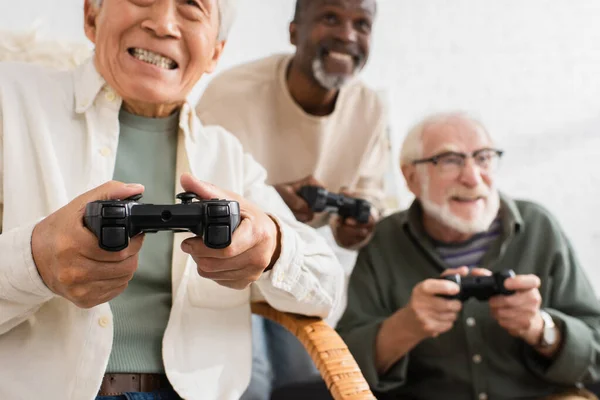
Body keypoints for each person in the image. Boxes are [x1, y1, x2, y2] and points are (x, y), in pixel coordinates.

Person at [0, 1, 344, 399]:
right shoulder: (9, 101)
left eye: (192, 7)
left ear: (215, 51)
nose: (162, 24)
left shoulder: (227, 156)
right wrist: (36, 261)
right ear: (91, 16)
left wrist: (274, 245)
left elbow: (328, 288)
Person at [195, 0, 388, 397]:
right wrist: (271, 205)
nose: (348, 35)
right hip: (223, 272)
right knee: (249, 385)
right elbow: (194, 198)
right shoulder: (231, 94)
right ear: (293, 32)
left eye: (362, 24)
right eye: (330, 18)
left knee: (306, 384)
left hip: (303, 268)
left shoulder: (370, 108)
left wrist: (355, 224)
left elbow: (368, 203)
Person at [336, 112, 600, 400]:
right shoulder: (383, 241)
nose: (473, 178)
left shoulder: (538, 226)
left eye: (484, 158)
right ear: (412, 178)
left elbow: (595, 350)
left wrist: (540, 328)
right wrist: (406, 326)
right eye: (450, 160)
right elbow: (342, 368)